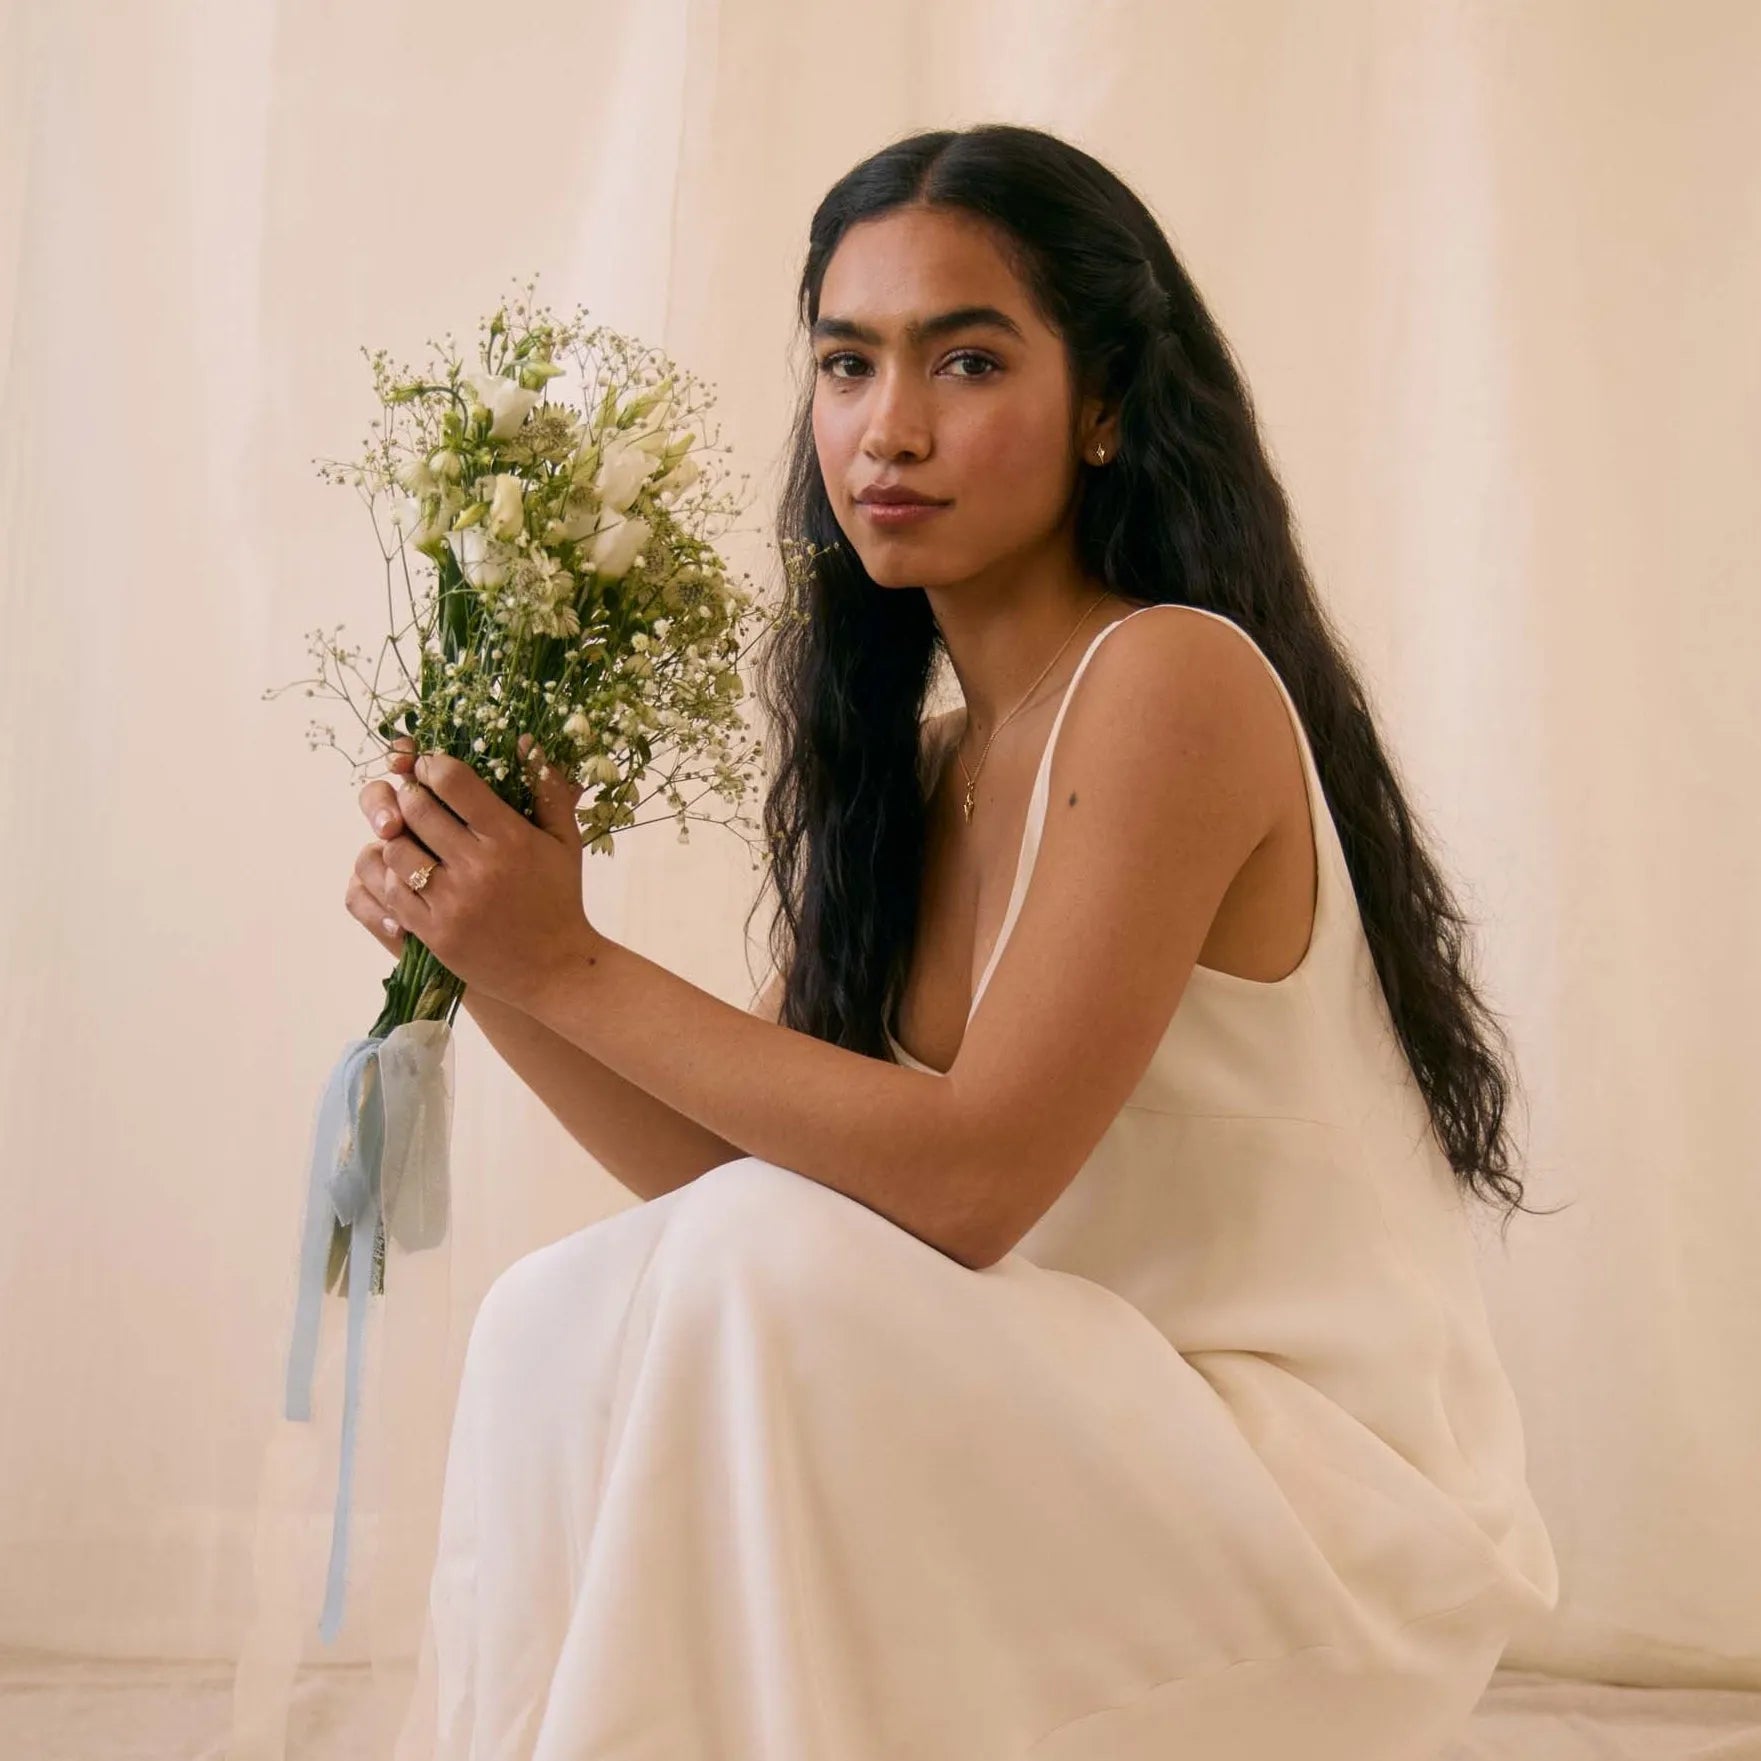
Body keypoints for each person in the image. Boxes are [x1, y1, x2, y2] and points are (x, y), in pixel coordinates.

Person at [347, 122, 1560, 1760]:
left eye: (965, 360)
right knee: (556, 1308)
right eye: (845, 365)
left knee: (745, 1273)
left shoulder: (1172, 682)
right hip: (1067, 1458)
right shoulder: (922, 775)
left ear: (1108, 407)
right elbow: (723, 1178)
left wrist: (568, 959)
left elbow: (972, 1181)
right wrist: (487, 947)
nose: (886, 429)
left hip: (1301, 1517)